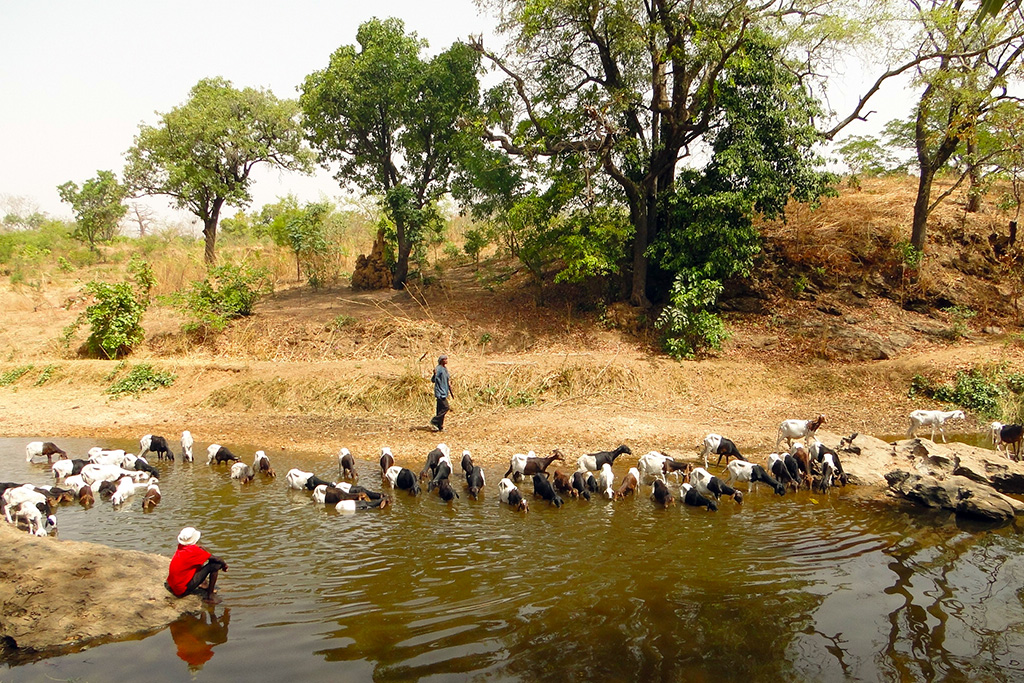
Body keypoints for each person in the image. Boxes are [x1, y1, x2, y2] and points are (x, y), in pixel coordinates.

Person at [167, 527, 228, 604]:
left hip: (174, 585)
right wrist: (224, 565)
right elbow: (217, 559)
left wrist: (202, 549)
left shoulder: (182, 547)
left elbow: (202, 554)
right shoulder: (194, 551)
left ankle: (203, 583)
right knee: (216, 565)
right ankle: (210, 596)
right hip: (182, 589)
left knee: (201, 553)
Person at [430, 353, 453, 432]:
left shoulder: (445, 369)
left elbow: (447, 380)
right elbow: (433, 380)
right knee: (446, 407)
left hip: (444, 392)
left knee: (440, 410)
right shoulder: (439, 369)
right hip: (440, 392)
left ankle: (440, 426)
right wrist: (434, 374)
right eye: (445, 359)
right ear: (441, 361)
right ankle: (434, 420)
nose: (446, 361)